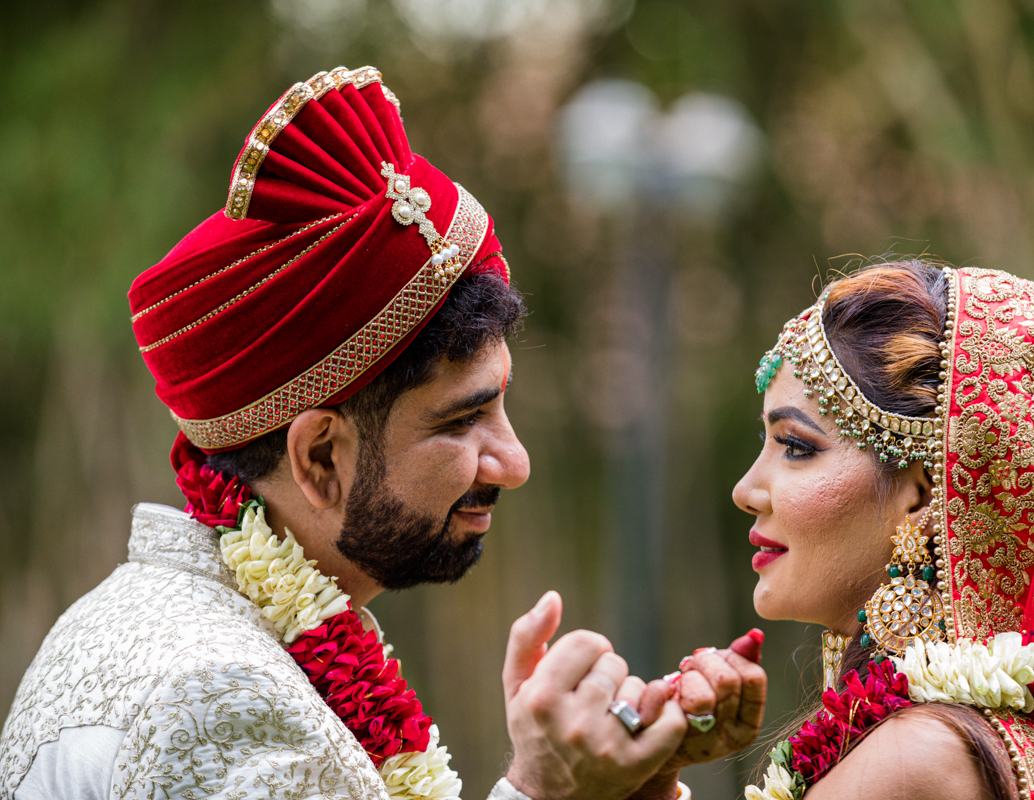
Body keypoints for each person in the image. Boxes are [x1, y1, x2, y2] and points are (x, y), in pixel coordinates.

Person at [0, 66, 766, 800]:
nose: (514, 462)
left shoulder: (171, 626)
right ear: (320, 458)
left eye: (501, 407)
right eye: (464, 418)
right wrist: (541, 791)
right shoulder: (220, 698)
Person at [736, 260, 1034, 800]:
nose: (745, 490)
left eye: (796, 447)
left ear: (921, 494)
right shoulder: (972, 730)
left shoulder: (916, 757)